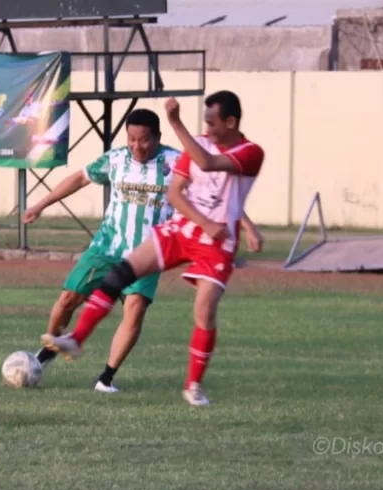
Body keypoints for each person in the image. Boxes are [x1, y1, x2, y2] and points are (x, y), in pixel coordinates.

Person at [41, 90, 265, 407]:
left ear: (231, 122)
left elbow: (210, 165)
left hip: (217, 242)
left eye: (212, 122)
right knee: (122, 272)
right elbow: (176, 194)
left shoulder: (250, 152)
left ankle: (193, 385)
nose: (208, 128)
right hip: (183, 229)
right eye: (204, 122)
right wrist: (202, 221)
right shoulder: (193, 143)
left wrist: (175, 121)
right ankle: (76, 339)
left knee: (203, 310)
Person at [24, 108, 182, 393]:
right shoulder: (116, 159)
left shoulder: (177, 163)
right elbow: (79, 178)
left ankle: (106, 379)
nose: (136, 146)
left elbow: (207, 192)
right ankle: (46, 353)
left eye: (144, 140)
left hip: (148, 252)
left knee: (134, 310)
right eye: (131, 139)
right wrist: (40, 204)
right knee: (67, 299)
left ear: (158, 137)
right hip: (108, 246)